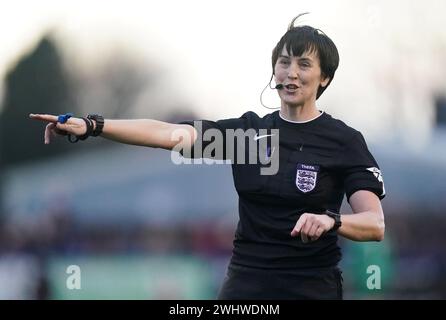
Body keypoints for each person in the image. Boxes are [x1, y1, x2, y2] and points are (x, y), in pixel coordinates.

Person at [30, 13, 385, 300]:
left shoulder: (343, 141)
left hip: (311, 287)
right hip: (246, 286)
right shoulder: (248, 135)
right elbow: (166, 134)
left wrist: (332, 221)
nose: (291, 72)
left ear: (324, 78)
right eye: (283, 62)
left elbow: (374, 224)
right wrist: (93, 125)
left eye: (304, 64)